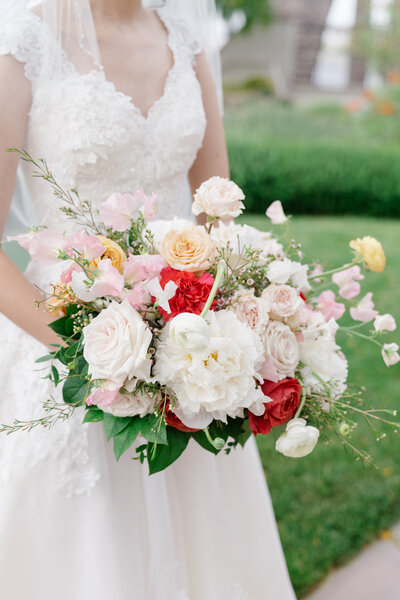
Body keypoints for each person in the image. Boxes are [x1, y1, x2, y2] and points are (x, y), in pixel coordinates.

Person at [0, 1, 297, 598]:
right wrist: (110, 364)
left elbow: (216, 207)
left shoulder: (185, 37)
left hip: (191, 355)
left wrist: (241, 317)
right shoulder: (23, 41)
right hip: (67, 349)